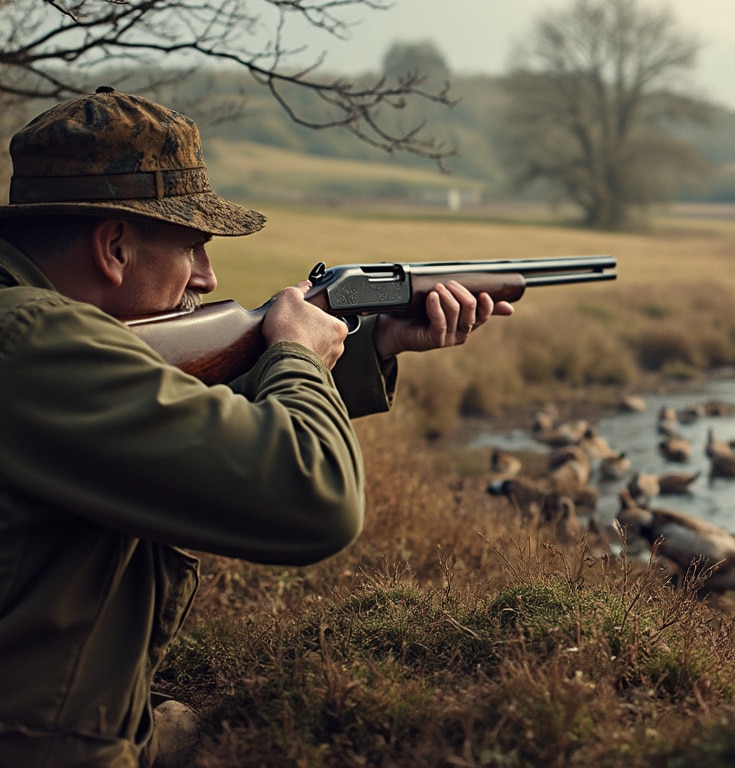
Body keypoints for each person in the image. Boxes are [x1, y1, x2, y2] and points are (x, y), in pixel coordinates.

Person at [0, 87, 512, 767]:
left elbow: (177, 420)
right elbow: (313, 502)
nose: (209, 278)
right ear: (115, 246)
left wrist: (370, 343)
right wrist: (297, 353)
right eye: (194, 246)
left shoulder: (31, 333)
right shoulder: (32, 341)